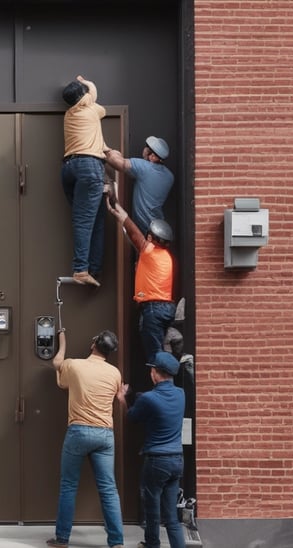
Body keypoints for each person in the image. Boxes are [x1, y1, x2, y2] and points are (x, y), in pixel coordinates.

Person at [46, 329, 125, 548]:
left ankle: (62, 539)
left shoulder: (75, 365)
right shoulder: (115, 373)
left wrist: (62, 341)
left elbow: (57, 364)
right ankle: (117, 542)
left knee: (69, 486)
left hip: (79, 431)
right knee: (109, 489)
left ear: (93, 344)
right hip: (105, 434)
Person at [117, 351, 185, 548]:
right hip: (177, 459)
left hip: (157, 459)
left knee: (152, 507)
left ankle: (152, 545)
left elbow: (132, 417)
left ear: (155, 373)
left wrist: (122, 398)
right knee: (171, 515)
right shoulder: (181, 394)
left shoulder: (149, 399)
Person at [106, 200, 176, 363]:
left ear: (151, 237)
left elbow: (134, 233)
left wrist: (118, 210)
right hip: (165, 308)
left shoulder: (150, 251)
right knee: (160, 352)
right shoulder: (166, 257)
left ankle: (162, 387)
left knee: (155, 357)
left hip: (154, 309)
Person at [61, 75, 114, 287]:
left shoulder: (69, 114)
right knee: (85, 220)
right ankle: (81, 269)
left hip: (69, 168)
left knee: (95, 218)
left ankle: (94, 268)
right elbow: (93, 91)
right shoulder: (92, 110)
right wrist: (87, 81)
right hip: (89, 167)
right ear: (83, 97)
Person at [104, 136, 174, 238]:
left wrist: (105, 151)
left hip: (146, 229)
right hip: (159, 227)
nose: (144, 149)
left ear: (153, 157)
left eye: (148, 149)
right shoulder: (169, 176)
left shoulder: (144, 168)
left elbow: (118, 163)